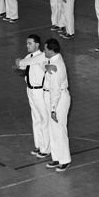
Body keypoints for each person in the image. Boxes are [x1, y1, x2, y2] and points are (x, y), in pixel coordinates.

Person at [14, 34, 49, 158]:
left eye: (30, 43)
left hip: (40, 91)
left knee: (44, 118)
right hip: (30, 90)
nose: (27, 45)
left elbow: (24, 63)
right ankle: (38, 144)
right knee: (36, 118)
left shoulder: (43, 56)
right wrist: (19, 63)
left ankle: (46, 148)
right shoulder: (29, 56)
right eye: (27, 43)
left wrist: (20, 62)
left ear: (37, 44)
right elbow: (21, 65)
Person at [42, 38, 71, 171]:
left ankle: (64, 159)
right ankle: (57, 157)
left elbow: (55, 91)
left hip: (59, 99)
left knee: (59, 129)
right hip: (54, 97)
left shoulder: (56, 66)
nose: (44, 51)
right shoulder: (53, 60)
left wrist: (53, 109)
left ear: (51, 50)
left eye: (45, 49)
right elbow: (43, 64)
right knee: (53, 130)